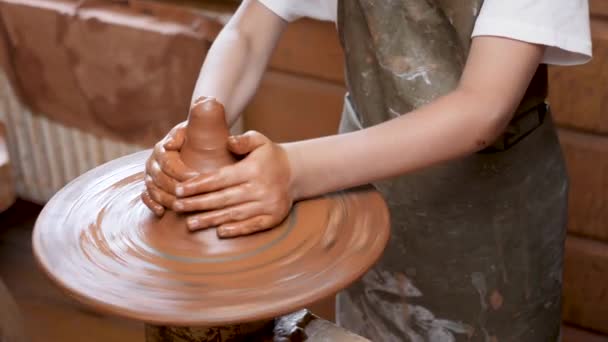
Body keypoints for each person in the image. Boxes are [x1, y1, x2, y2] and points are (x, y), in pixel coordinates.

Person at [141, 0, 592, 340]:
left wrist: (295, 170)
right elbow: (250, 27)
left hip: (488, 219)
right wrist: (206, 123)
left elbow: (482, 111)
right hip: (366, 191)